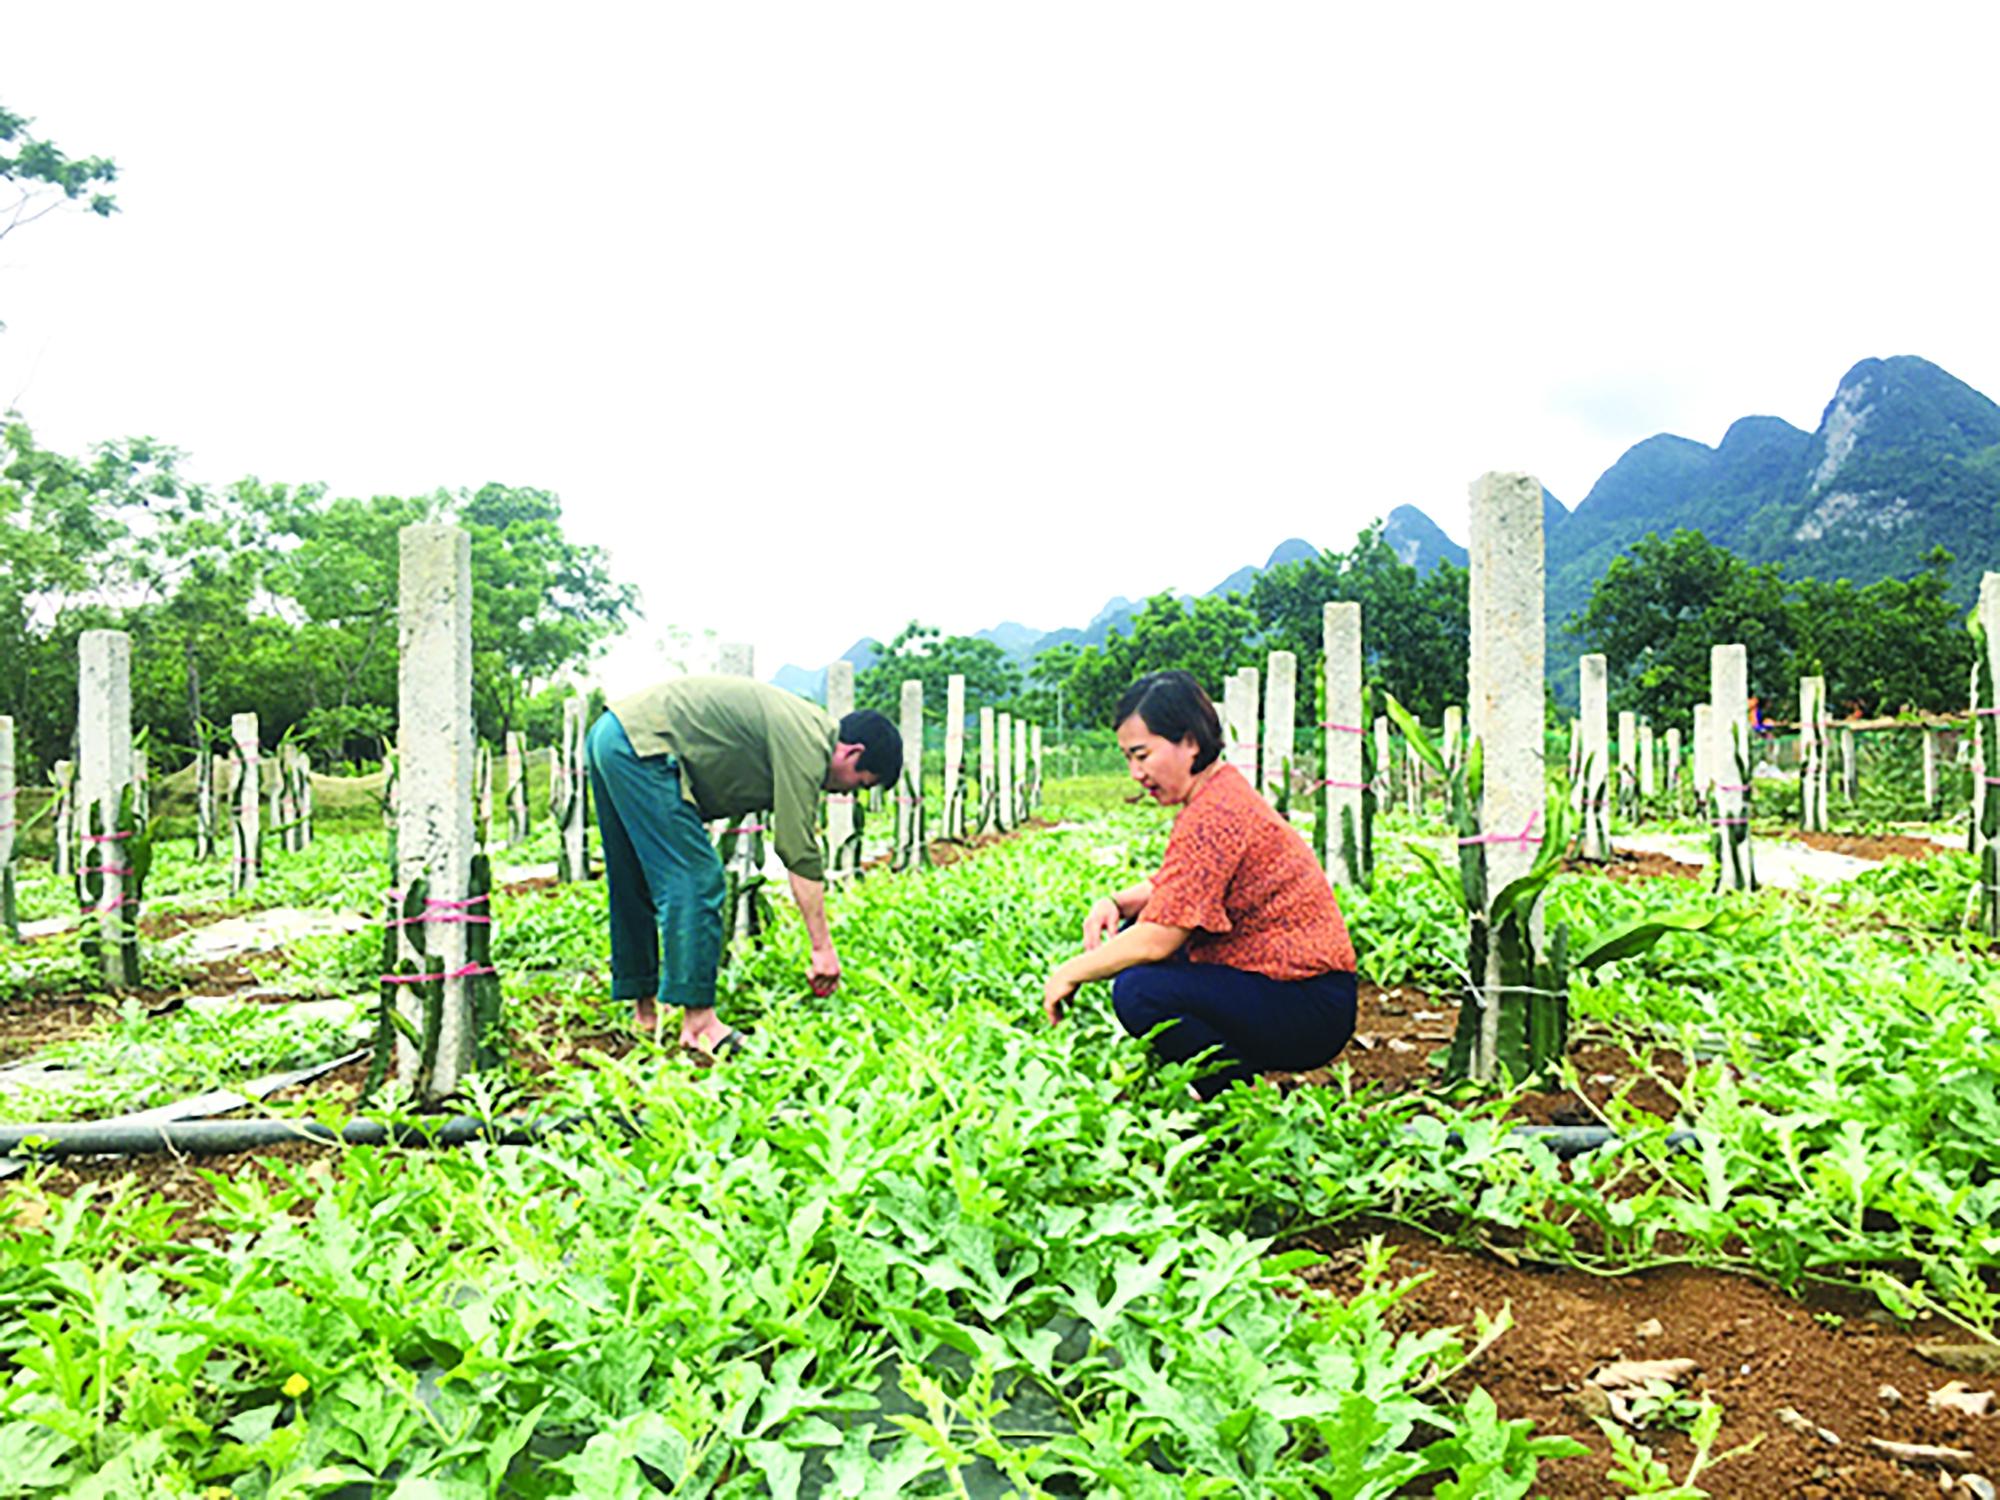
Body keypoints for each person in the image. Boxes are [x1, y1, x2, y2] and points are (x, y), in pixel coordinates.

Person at [1042, 670, 1357, 1098]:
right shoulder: (1217, 794)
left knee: (1140, 991)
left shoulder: (1216, 814)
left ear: (1189, 741)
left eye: (1142, 755)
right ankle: (1233, 1083)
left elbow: (1159, 939)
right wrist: (1115, 901)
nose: (1135, 772)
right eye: (1128, 759)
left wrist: (1070, 972)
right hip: (1298, 992)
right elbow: (1180, 886)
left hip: (1309, 1003)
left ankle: (1232, 1097)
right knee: (1136, 944)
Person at [585, 674, 902, 1054]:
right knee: (697, 877)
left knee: (633, 874)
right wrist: (822, 948)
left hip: (612, 734)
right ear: (852, 753)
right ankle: (699, 1023)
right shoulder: (810, 740)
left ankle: (646, 1012)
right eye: (860, 783)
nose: (849, 793)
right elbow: (798, 849)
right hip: (642, 744)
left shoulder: (802, 727)